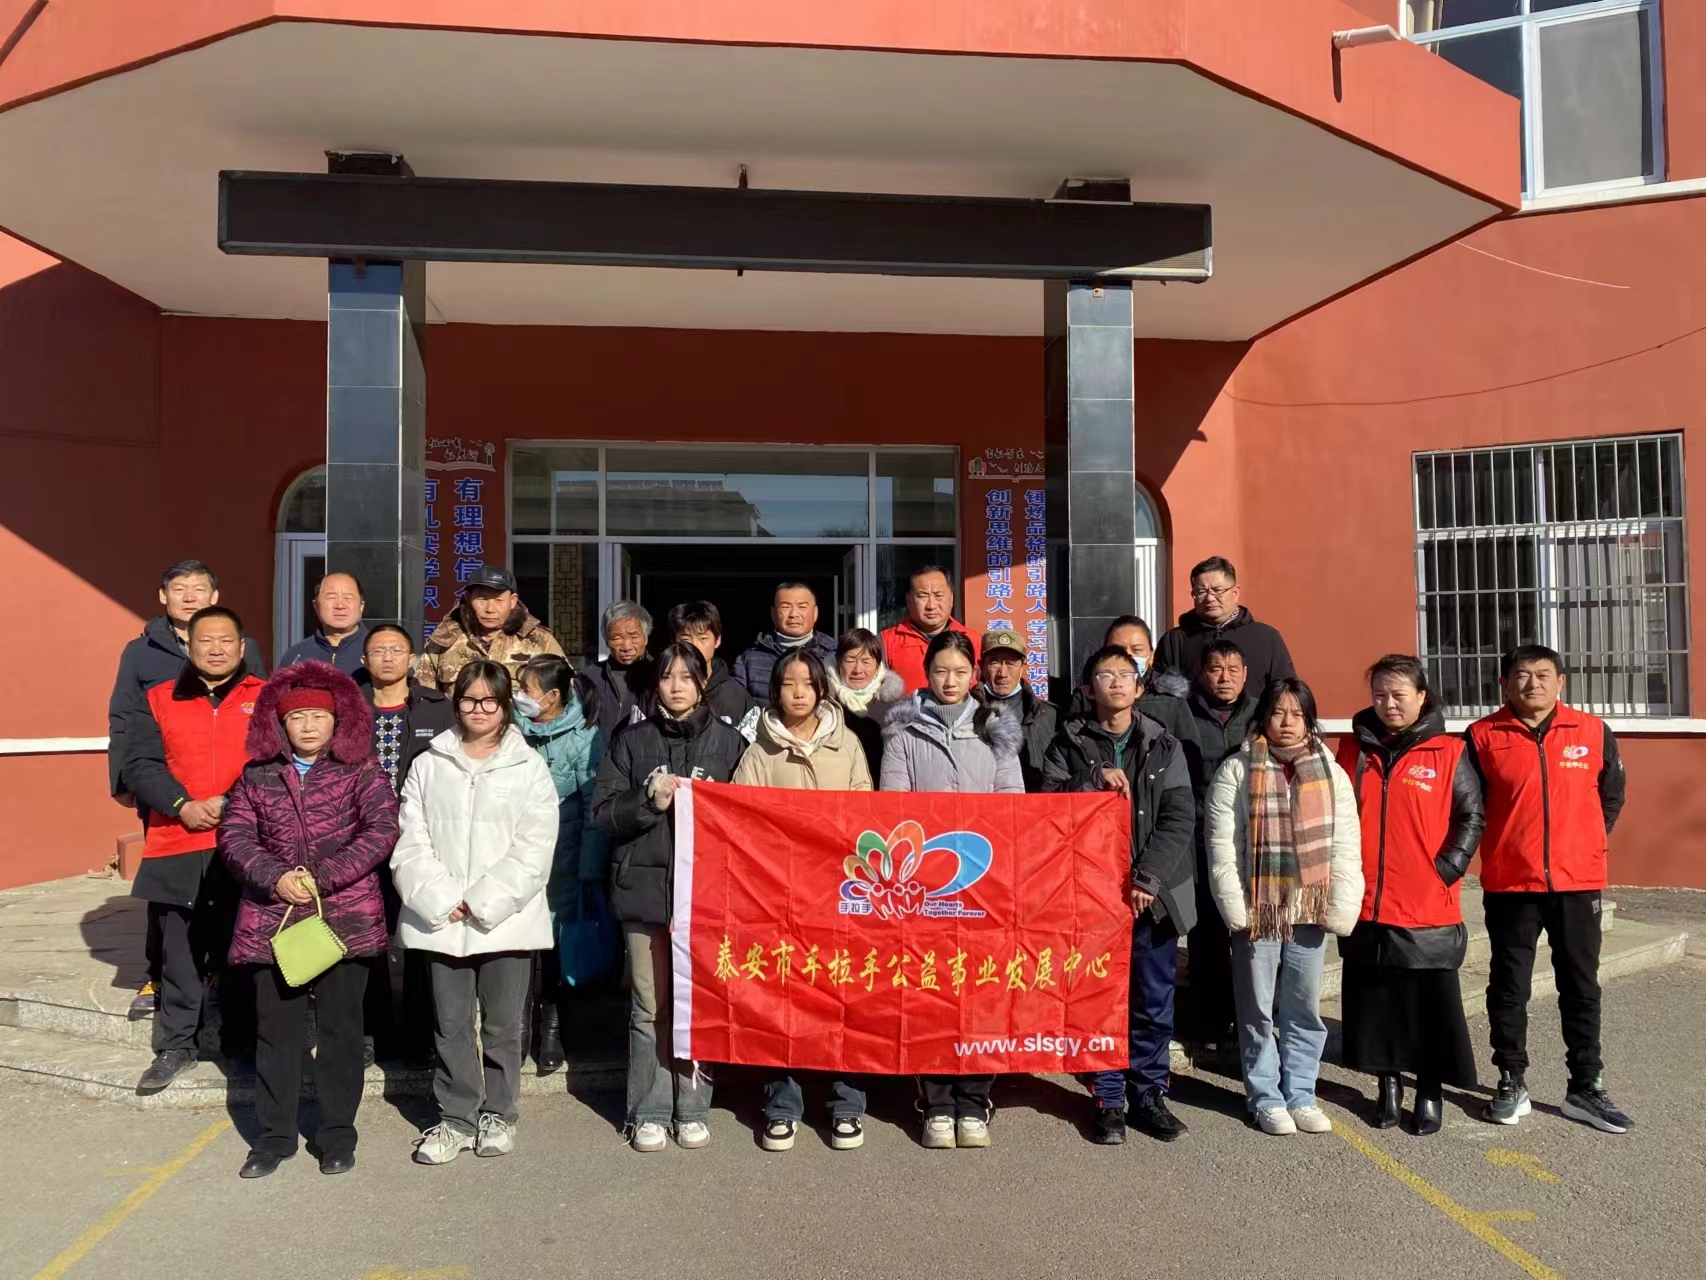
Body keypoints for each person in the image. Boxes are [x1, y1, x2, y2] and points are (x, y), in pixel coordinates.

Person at [218, 661, 399, 1178]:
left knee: (342, 1032)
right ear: (279, 723)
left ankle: (337, 1134)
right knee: (277, 1033)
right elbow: (234, 836)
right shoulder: (257, 775)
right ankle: (274, 1137)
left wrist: (322, 876)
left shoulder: (361, 770)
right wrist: (273, 877)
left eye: (319, 715)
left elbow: (382, 828)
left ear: (337, 720)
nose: (309, 726)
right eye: (297, 717)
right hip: (272, 920)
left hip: (344, 917)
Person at [391, 660, 560, 1164]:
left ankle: (499, 1114)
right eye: (469, 699)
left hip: (506, 918)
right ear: (456, 702)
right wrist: (442, 899)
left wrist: (484, 901)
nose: (479, 709)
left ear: (506, 705)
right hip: (442, 917)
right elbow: (410, 840)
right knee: (450, 1024)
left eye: (490, 700)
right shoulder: (429, 763)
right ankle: (456, 1117)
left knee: (503, 1026)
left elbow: (535, 847)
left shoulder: (528, 767)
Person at [1467, 645, 1630, 1134]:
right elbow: (1471, 806)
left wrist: (1583, 843)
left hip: (1577, 882)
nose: (1532, 683)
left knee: (1580, 986)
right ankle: (1510, 1078)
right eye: (1521, 675)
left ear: (1561, 682)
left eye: (1543, 675)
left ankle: (1585, 1085)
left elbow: (1611, 796)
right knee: (1509, 986)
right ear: (1504, 684)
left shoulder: (1593, 731)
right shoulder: (1481, 736)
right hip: (1511, 883)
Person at [592, 643, 747, 1153]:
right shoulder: (631, 741)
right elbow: (603, 814)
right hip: (643, 892)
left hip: (707, 896)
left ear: (704, 682)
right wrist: (647, 800)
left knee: (697, 1002)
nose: (676, 686)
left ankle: (694, 1106)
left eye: (686, 676)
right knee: (649, 1005)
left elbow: (750, 821)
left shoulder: (730, 744)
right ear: (654, 684)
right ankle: (649, 1110)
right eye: (666, 677)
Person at [1042, 646, 1195, 1144]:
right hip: (1091, 896)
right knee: (1099, 999)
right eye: (1104, 674)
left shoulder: (1164, 745)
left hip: (1154, 897)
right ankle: (1107, 1097)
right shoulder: (1067, 744)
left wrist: (1147, 879)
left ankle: (1148, 1094)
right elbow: (1047, 809)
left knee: (1152, 1001)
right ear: (1088, 689)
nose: (1115, 682)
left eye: (1124, 674)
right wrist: (1089, 780)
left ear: (1139, 687)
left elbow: (1179, 817)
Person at [880, 630, 1023, 1149]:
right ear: (927, 674)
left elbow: (1012, 803)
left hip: (984, 883)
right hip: (925, 884)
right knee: (930, 990)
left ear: (974, 675)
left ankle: (975, 1100)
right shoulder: (903, 730)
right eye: (941, 671)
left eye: (960, 672)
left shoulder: (995, 728)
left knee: (982, 989)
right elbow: (893, 805)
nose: (950, 680)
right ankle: (937, 1102)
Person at [108, 560, 267, 1021]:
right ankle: (159, 974)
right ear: (164, 596)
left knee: (231, 888)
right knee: (169, 892)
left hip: (234, 796)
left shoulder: (243, 645)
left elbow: (253, 711)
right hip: (167, 787)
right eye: (180, 589)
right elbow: (124, 718)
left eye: (200, 588)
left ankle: (219, 971)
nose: (190, 596)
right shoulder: (141, 651)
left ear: (215, 596)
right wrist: (125, 781)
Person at [1206, 677, 1363, 1136]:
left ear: (1310, 720)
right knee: (1256, 1009)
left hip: (1308, 909)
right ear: (1263, 718)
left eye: (1298, 714)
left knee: (1303, 1008)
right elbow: (1223, 847)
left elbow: (1345, 845)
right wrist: (1237, 907)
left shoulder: (1329, 771)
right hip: (1260, 910)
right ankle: (1265, 1097)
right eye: (1278, 712)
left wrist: (1340, 904)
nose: (1288, 722)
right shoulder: (1238, 770)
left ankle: (1302, 1094)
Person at [733, 648, 873, 1152]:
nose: (798, 692)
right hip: (781, 895)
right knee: (782, 997)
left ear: (821, 689)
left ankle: (846, 1102)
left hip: (841, 891)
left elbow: (866, 813)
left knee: (844, 995)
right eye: (788, 683)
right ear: (774, 691)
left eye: (807, 683)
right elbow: (742, 823)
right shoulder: (758, 752)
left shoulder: (847, 744)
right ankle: (782, 1105)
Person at [1336, 655, 1483, 1136]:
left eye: (1399, 694)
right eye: (1380, 694)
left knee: (1429, 1006)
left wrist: (1447, 869)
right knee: (1377, 1004)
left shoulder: (1450, 752)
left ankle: (1430, 1089)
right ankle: (1389, 1084)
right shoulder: (1354, 750)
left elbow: (1471, 816)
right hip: (1366, 900)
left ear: (1422, 696)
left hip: (1425, 902)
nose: (1389, 704)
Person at [360, 623, 455, 1064]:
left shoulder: (438, 708)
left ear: (412, 659)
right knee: (367, 932)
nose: (387, 658)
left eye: (396, 650)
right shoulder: (348, 706)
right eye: (378, 650)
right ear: (365, 660)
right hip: (360, 837)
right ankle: (372, 1029)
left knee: (420, 927)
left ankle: (421, 1033)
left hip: (420, 836)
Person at [514, 654, 606, 1076]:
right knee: (516, 944)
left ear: (552, 696)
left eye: (526, 689)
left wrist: (588, 866)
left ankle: (551, 1027)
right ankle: (517, 1027)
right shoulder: (510, 729)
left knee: (555, 947)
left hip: (563, 858)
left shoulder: (584, 736)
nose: (519, 696)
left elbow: (592, 805)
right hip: (516, 855)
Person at [1180, 640, 1258, 1045]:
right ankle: (1210, 1023)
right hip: (1199, 837)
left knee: (1253, 935)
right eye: (1215, 669)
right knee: (1207, 933)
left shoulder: (1262, 713)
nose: (1224, 678)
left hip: (1255, 840)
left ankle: (1251, 1023)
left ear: (1245, 674)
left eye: (1232, 669)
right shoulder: (1183, 714)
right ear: (1201, 674)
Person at [1154, 557, 1294, 694]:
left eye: (1218, 590)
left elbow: (1287, 694)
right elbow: (1159, 695)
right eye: (1201, 592)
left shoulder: (1266, 638)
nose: (1209, 598)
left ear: (1235, 593)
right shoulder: (1175, 641)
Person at [417, 565, 564, 693]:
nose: (490, 609)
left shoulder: (540, 640)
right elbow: (424, 696)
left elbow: (564, 691)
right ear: (468, 599)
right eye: (482, 599)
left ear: (512, 601)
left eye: (499, 600)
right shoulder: (444, 640)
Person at [730, 582, 838, 702]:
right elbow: (735, 705)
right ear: (773, 613)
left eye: (802, 607)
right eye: (785, 607)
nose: (794, 614)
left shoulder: (834, 655)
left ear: (815, 613)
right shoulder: (749, 659)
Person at [881, 565, 979, 695]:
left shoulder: (975, 640)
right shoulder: (885, 642)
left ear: (951, 598)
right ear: (909, 600)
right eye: (923, 596)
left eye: (939, 596)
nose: (931, 606)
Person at [979, 628, 1056, 792]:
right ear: (981, 666)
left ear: (1023, 666)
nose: (1003, 673)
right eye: (994, 663)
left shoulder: (1049, 715)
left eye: (1011, 663)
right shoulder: (969, 712)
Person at [826, 628, 904, 780]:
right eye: (850, 660)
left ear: (877, 666)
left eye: (866, 661)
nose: (858, 669)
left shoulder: (892, 710)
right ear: (838, 663)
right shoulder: (825, 705)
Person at [668, 600, 752, 728]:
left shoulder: (737, 697)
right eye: (686, 639)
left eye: (703, 638)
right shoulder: (657, 692)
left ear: (717, 640)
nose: (694, 646)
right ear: (674, 642)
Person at [277, 571, 370, 680]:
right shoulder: (296, 655)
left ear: (361, 606)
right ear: (316, 606)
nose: (340, 606)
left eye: (348, 598)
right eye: (331, 597)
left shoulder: (377, 651)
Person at [588, 600, 655, 746]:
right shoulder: (590, 678)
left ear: (645, 638)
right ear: (606, 641)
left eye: (634, 637)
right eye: (617, 638)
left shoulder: (659, 675)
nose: (626, 646)